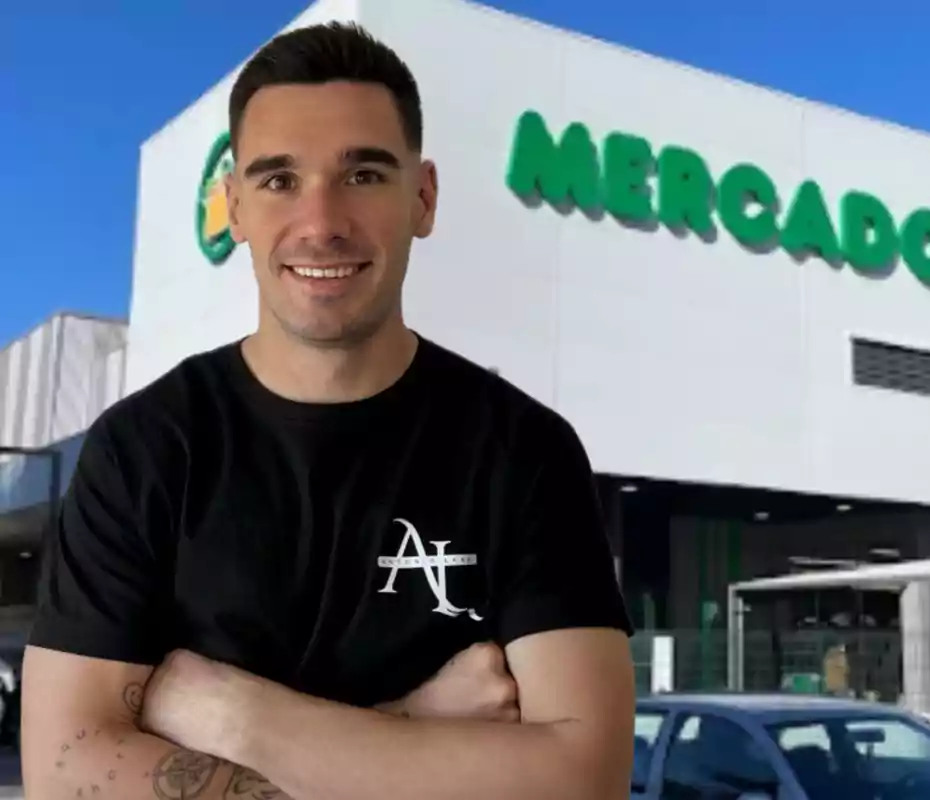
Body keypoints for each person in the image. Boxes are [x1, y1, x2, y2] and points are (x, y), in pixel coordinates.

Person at [21, 21, 635, 800]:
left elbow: (585, 782)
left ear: (424, 198)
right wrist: (411, 725)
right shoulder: (145, 448)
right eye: (279, 180)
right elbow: (65, 772)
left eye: (364, 175)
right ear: (234, 207)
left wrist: (236, 719)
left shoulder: (524, 453)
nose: (321, 223)